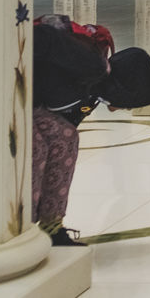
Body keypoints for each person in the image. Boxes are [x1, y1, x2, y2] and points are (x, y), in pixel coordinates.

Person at [32, 16, 115, 247]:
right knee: (34, 148)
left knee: (64, 137)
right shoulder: (89, 65)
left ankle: (52, 225)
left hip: (29, 102)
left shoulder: (87, 66)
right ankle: (21, 225)